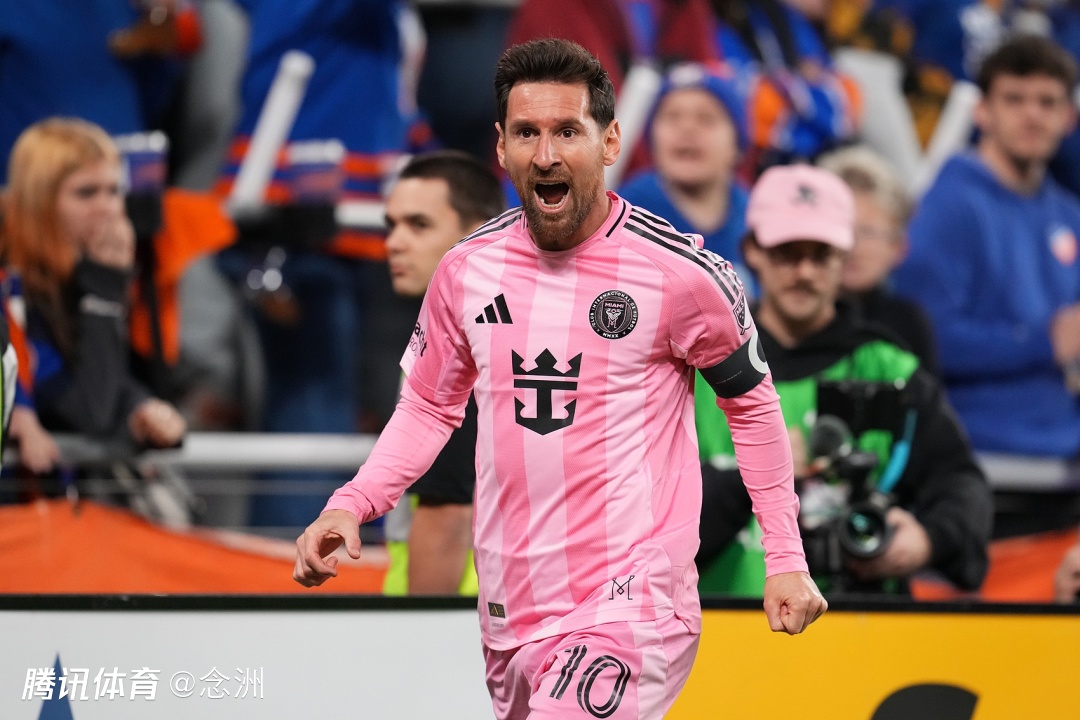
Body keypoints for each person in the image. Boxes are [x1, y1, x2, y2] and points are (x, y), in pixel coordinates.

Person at [295, 38, 825, 718]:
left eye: (567, 132)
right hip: (510, 614)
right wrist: (352, 502)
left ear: (609, 142)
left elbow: (752, 407)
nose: (545, 155)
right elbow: (428, 406)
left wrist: (786, 557)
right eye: (526, 133)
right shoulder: (466, 270)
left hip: (631, 607)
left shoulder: (682, 275)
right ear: (501, 146)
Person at [695, 163, 992, 596]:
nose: (804, 272)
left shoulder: (889, 369)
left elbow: (961, 482)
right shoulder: (696, 365)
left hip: (859, 620)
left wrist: (927, 540)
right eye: (786, 252)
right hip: (720, 623)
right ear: (752, 251)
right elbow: (644, 509)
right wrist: (756, 470)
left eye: (820, 254)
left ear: (844, 257)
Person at [892, 35, 1080, 460]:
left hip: (1062, 444)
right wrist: (1045, 342)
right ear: (982, 111)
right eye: (1014, 99)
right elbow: (923, 341)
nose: (1032, 114)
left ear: (1069, 118)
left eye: (1048, 102)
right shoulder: (948, 207)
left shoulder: (1068, 214)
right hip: (981, 449)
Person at [1, 118, 187, 451]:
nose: (109, 209)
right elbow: (87, 410)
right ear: (38, 202)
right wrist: (103, 288)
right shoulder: (10, 282)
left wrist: (140, 408)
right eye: (86, 193)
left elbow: (100, 382)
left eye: (114, 190)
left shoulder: (79, 272)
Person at [381, 150, 506, 596]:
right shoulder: (506, 327)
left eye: (419, 225)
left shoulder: (466, 344)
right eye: (391, 225)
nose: (394, 242)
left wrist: (419, 630)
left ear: (480, 234)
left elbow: (447, 515)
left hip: (457, 619)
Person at [618, 62, 753, 284]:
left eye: (706, 118)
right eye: (672, 117)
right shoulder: (624, 212)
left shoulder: (755, 216)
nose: (687, 128)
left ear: (737, 145)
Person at [816, 144, 940, 377]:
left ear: (899, 247)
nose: (852, 245)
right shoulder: (791, 319)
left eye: (868, 232)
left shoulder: (909, 324)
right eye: (842, 228)